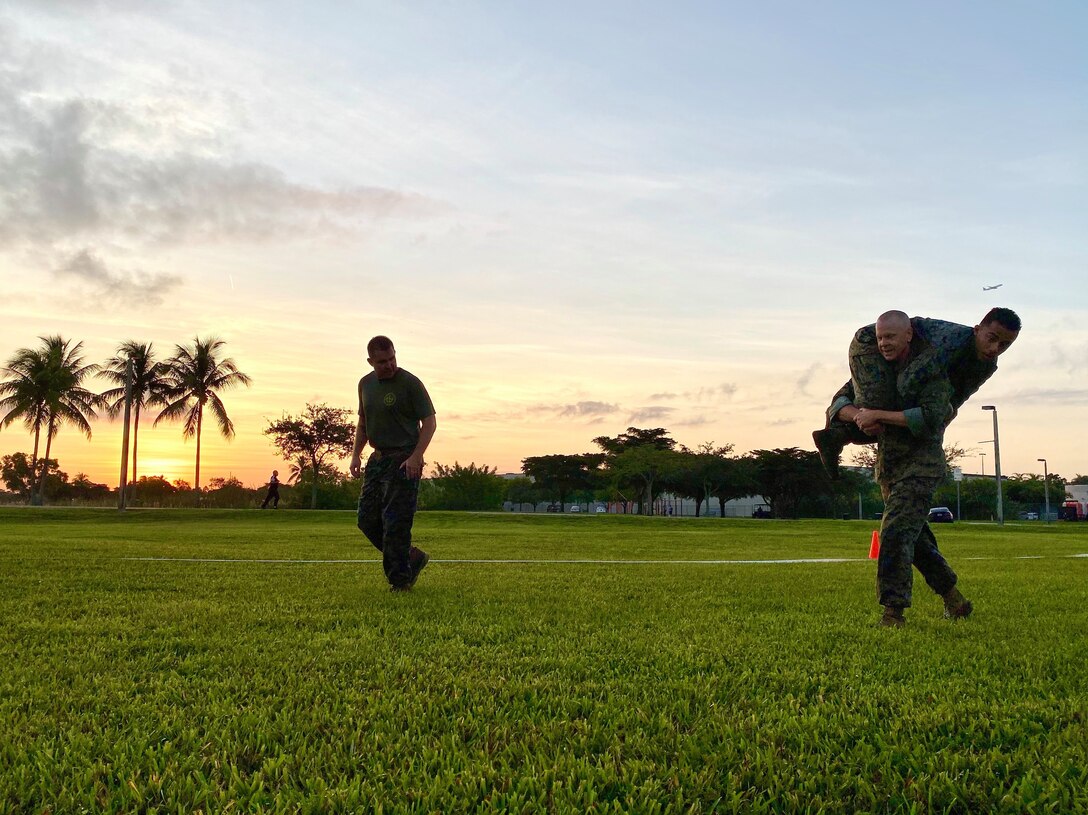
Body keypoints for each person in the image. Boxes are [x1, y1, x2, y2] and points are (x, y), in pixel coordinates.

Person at [843, 311, 972, 627]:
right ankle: (954, 599)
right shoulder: (875, 374)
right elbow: (840, 401)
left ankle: (893, 613)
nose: (884, 343)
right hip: (889, 468)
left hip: (921, 468)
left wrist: (878, 415)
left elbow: (931, 418)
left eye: (890, 336)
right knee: (917, 541)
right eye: (879, 338)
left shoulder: (930, 371)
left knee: (896, 532)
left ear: (909, 335)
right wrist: (858, 416)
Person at [813, 307, 1021, 478]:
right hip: (872, 343)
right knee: (884, 409)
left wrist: (939, 419)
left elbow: (955, 399)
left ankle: (835, 433)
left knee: (908, 420)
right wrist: (927, 419)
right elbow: (906, 384)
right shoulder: (946, 344)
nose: (995, 348)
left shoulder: (987, 364)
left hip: (903, 353)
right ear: (977, 330)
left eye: (1005, 344)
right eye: (991, 338)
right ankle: (838, 425)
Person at [349, 336, 437, 591]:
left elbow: (429, 422)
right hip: (377, 458)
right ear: (370, 361)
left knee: (395, 521)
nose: (389, 365)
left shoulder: (410, 383)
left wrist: (416, 455)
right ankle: (411, 557)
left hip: (404, 458)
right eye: (382, 362)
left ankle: (400, 581)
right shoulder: (365, 384)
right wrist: (355, 454)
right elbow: (363, 423)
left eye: (392, 359)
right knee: (367, 519)